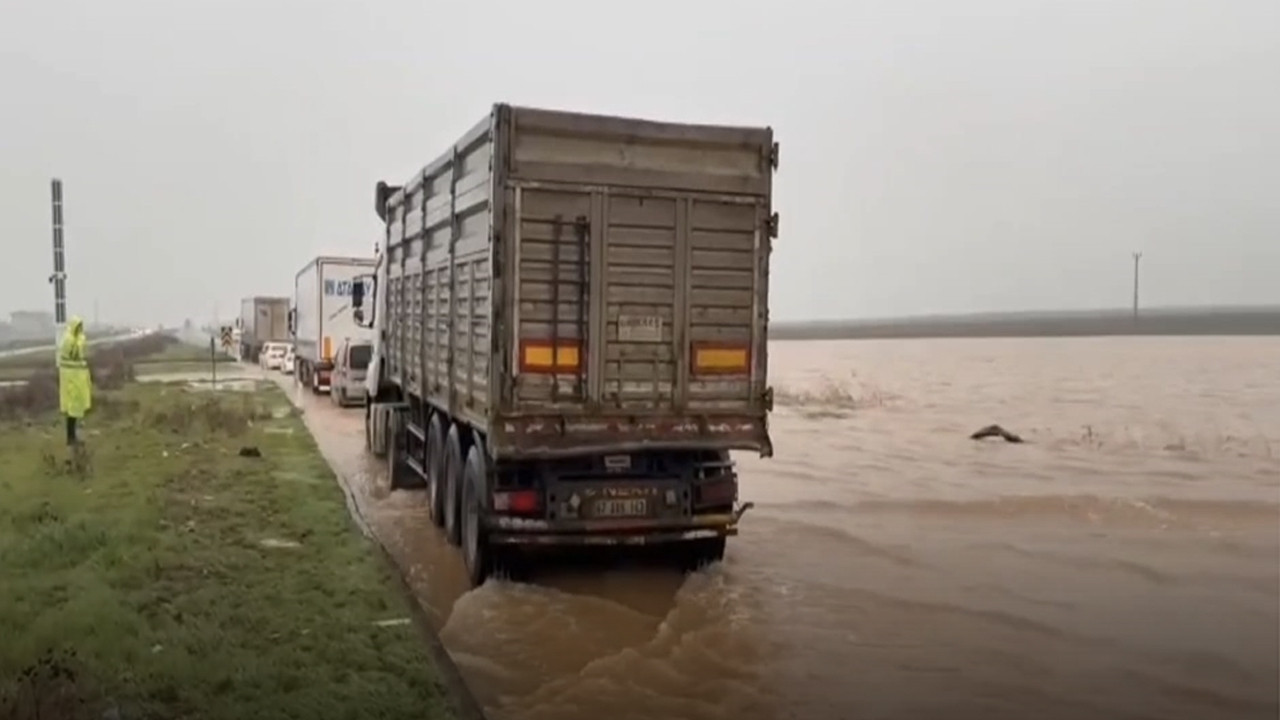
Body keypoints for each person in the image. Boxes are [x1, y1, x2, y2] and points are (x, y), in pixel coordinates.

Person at [57, 316, 92, 445]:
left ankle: (72, 437)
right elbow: (75, 354)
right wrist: (80, 342)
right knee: (72, 409)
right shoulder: (69, 340)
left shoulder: (73, 339)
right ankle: (70, 438)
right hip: (71, 379)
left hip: (77, 378)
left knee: (75, 409)